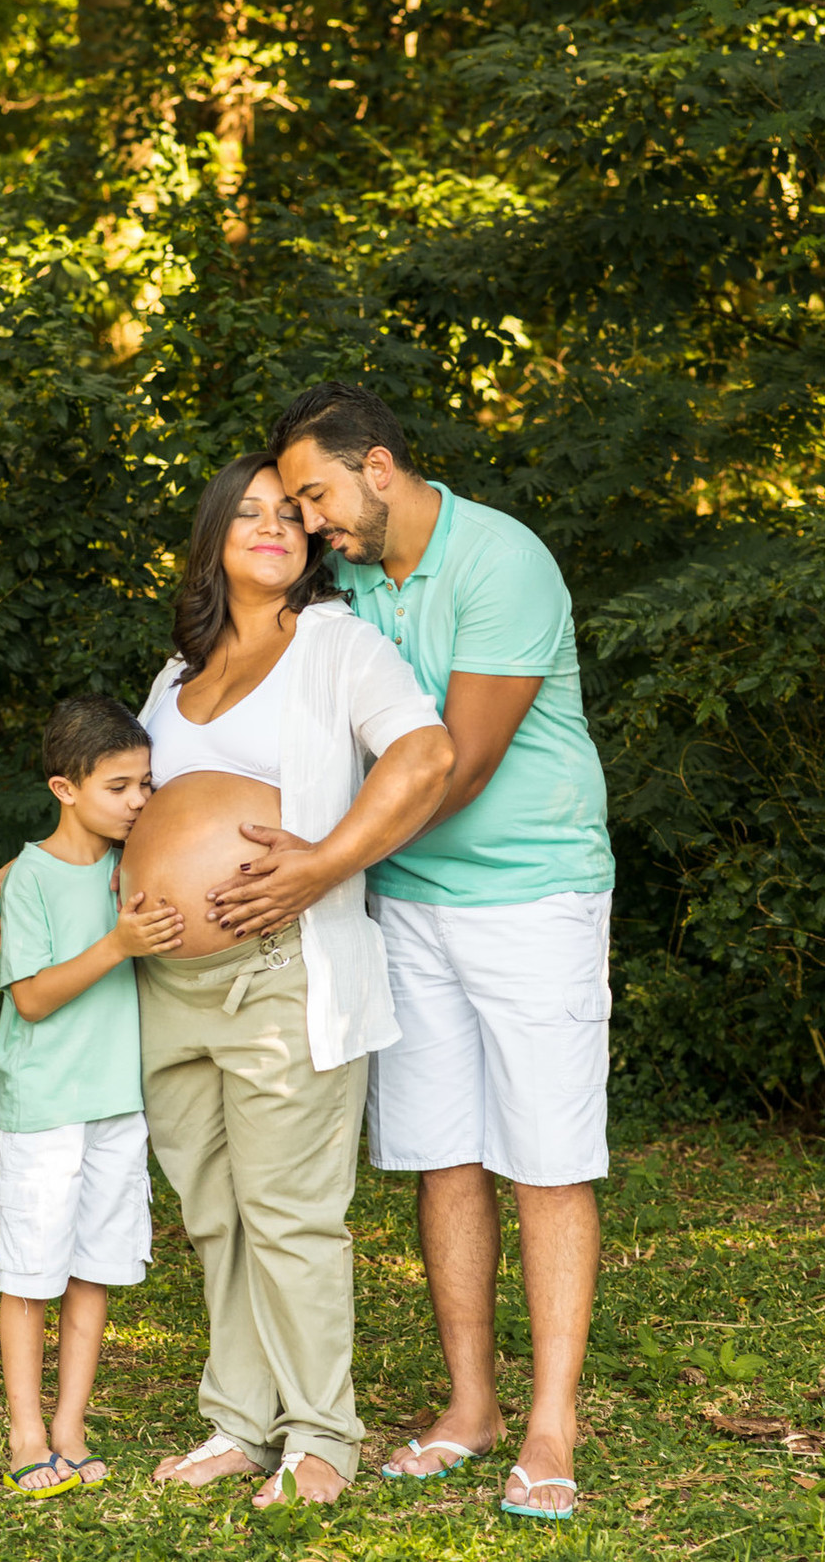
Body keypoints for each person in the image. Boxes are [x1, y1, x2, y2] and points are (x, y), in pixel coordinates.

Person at [0, 453, 454, 1508]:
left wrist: (324, 865)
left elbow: (422, 759)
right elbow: (125, 814)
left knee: (290, 1210)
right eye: (247, 512)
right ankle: (243, 1421)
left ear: (314, 541)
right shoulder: (176, 676)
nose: (272, 526)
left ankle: (323, 1435)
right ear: (213, 540)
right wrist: (25, 871)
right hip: (165, 986)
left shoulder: (341, 649)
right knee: (215, 1211)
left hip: (281, 972)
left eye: (292, 512)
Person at [209, 384, 614, 1522]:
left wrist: (324, 861)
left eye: (320, 495)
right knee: (443, 1156)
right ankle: (472, 1406)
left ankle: (551, 1424)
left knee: (545, 1159)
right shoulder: (347, 589)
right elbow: (242, 726)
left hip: (534, 893)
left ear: (379, 467)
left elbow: (461, 763)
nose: (309, 521)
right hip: (406, 905)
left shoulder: (502, 561)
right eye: (294, 503)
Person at [0, 694, 184, 1501]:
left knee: (95, 1265)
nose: (139, 802)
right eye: (119, 787)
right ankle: (25, 1431)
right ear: (64, 789)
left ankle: (71, 1424)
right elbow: (31, 999)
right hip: (44, 1103)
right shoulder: (29, 877)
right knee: (31, 1270)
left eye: (145, 784)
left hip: (117, 1100)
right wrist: (117, 944)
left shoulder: (132, 868)